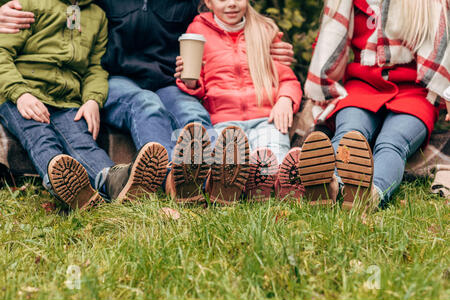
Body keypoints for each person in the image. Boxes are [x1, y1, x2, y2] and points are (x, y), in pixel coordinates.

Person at [0, 0, 297, 204]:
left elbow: (223, 20)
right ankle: (169, 178)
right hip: (117, 79)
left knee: (192, 112)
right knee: (146, 105)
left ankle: (210, 177)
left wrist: (268, 46)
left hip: (169, 79)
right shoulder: (96, 6)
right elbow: (66, 11)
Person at [0, 0, 169, 210]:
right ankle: (66, 187)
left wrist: (92, 100)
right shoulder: (30, 4)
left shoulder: (96, 15)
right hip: (23, 94)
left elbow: (95, 68)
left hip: (68, 99)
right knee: (40, 136)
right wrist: (20, 93)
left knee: (82, 142)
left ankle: (116, 182)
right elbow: (2, 52)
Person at [300, 0, 450, 209]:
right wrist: (323, 84)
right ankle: (328, 186)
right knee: (349, 132)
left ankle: (371, 193)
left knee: (392, 142)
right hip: (363, 85)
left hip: (414, 91)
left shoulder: (425, 4)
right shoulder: (350, 3)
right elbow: (329, 44)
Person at [175, 0, 304, 203]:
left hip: (266, 118)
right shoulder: (198, 30)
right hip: (224, 122)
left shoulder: (263, 30)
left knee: (273, 153)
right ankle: (249, 184)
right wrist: (189, 80)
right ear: (208, 2)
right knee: (229, 162)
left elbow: (287, 79)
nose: (232, 4)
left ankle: (282, 181)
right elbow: (197, 83)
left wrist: (286, 99)